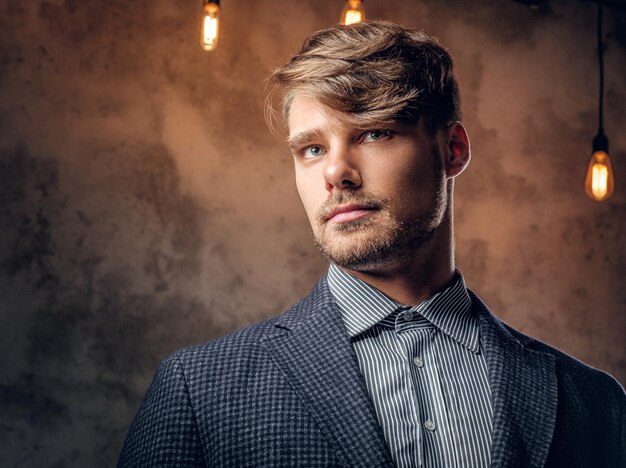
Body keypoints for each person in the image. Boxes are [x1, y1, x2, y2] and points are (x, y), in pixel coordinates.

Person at [118, 21, 625, 467]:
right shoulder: (198, 391)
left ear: (452, 150)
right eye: (312, 148)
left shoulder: (595, 402)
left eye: (374, 133)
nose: (336, 171)